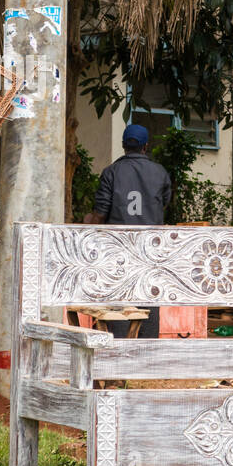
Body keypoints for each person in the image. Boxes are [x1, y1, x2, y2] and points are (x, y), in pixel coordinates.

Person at [84, 124, 172, 338]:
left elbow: (101, 214)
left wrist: (88, 221)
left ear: (124, 145)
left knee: (120, 299)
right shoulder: (160, 173)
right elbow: (165, 203)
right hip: (150, 249)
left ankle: (118, 349)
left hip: (118, 250)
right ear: (146, 146)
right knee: (149, 297)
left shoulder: (111, 172)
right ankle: (146, 350)